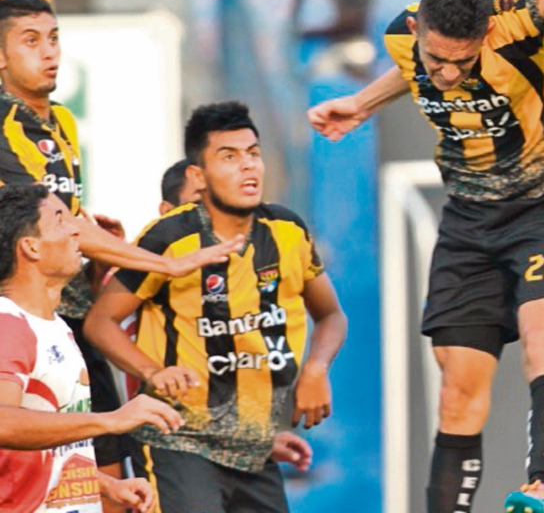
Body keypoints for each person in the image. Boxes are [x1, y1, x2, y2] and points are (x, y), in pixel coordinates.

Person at [307, 0, 544, 513]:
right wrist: (363, 104)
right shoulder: (402, 38)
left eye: (462, 62)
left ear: (486, 33)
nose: (447, 74)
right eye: (436, 58)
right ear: (416, 28)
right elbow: (411, 70)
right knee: (458, 388)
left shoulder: (512, 21)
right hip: (468, 225)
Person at [0, 0, 241, 494]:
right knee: (36, 452)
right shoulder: (4, 121)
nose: (49, 52)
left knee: (99, 459)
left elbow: (64, 219)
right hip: (22, 317)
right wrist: (167, 264)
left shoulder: (60, 121)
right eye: (30, 41)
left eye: (54, 38)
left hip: (66, 318)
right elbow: (53, 221)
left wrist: (95, 239)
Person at [84, 102, 347, 513]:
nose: (248, 167)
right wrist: (153, 371)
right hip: (177, 439)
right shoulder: (171, 236)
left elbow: (330, 315)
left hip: (253, 451)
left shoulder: (287, 231)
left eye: (253, 153)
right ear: (198, 175)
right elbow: (100, 322)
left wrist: (316, 369)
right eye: (229, 156)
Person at [0, 183, 187, 513]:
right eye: (61, 220)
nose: (77, 230)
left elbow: (39, 446)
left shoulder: (56, 327)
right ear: (30, 246)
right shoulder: (8, 324)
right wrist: (111, 420)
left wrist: (105, 484)